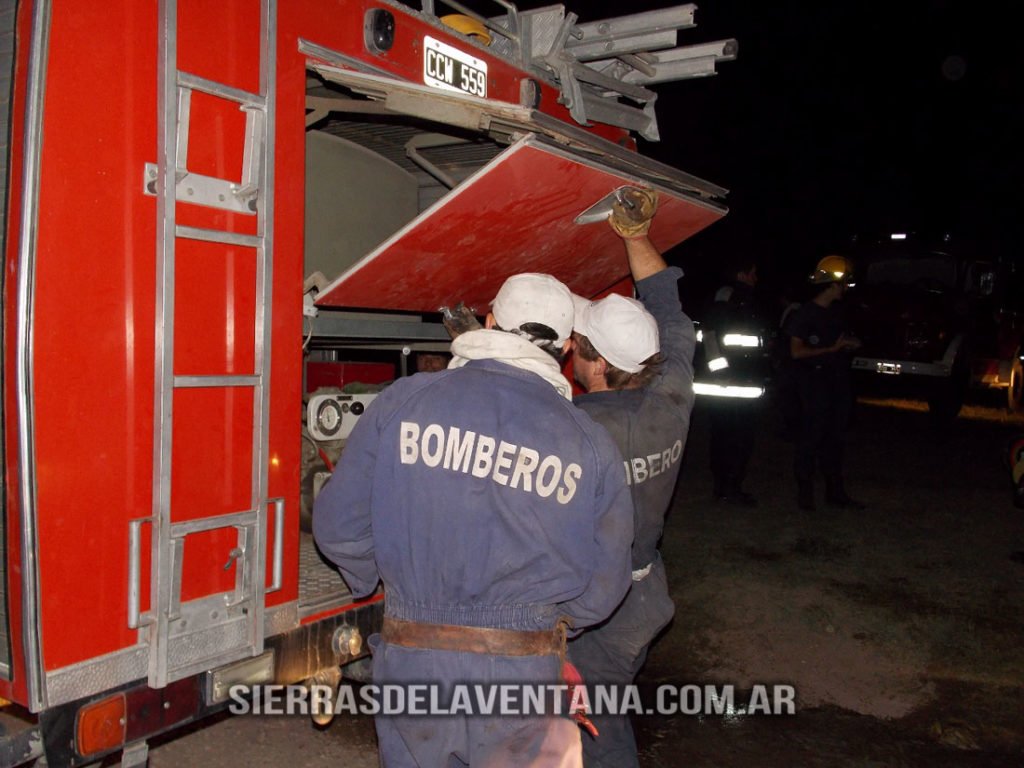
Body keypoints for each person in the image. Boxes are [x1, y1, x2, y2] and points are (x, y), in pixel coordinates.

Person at [313, 273, 634, 767]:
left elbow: (337, 526)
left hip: (414, 663)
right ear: (567, 348)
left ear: (489, 322)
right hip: (522, 674)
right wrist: (552, 625)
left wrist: (373, 579)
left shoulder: (404, 401)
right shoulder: (591, 444)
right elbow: (606, 586)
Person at [567, 188, 695, 768]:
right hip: (644, 593)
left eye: (579, 344)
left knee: (595, 729)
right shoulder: (670, 394)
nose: (571, 348)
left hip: (600, 609)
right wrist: (635, 234)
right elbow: (667, 308)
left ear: (593, 365)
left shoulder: (571, 432)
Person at [783, 254, 864, 511]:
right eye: (843, 283)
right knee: (811, 437)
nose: (846, 289)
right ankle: (805, 495)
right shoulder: (804, 314)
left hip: (837, 384)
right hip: (813, 386)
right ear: (831, 284)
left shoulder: (838, 313)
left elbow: (842, 342)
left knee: (835, 438)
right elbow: (796, 352)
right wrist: (832, 349)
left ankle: (835, 492)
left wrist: (849, 345)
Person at [701, 258, 768, 505]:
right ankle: (727, 489)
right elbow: (711, 335)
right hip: (730, 385)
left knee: (732, 437)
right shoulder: (729, 296)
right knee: (732, 438)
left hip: (740, 382)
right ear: (741, 274)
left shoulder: (742, 298)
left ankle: (728, 487)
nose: (756, 278)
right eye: (753, 273)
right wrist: (721, 372)